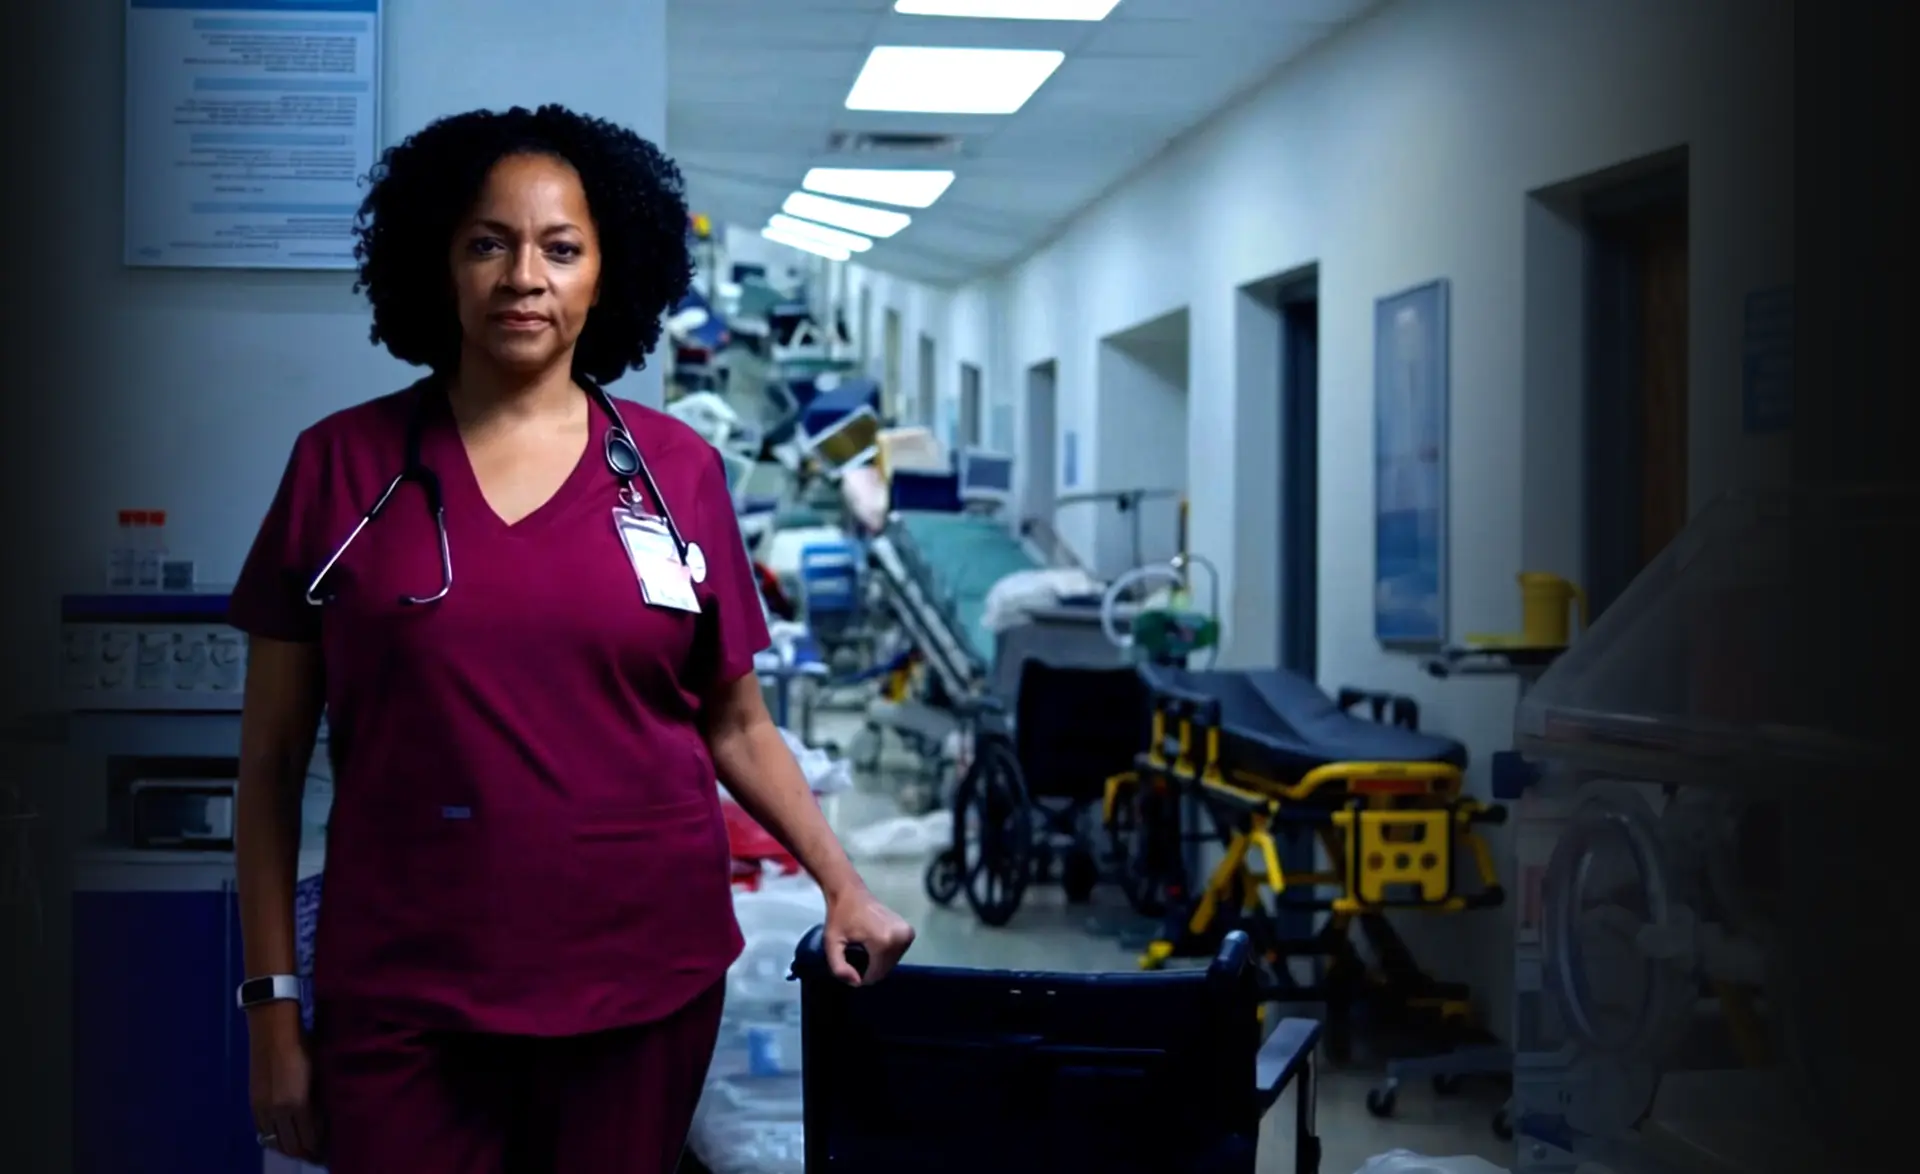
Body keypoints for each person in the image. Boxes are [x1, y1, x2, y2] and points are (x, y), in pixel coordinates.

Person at [228, 104, 914, 1173]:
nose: (522, 277)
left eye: (561, 247)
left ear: (609, 273)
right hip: (407, 990)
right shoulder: (341, 469)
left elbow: (737, 724)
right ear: (440, 264)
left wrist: (844, 882)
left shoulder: (676, 469)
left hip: (639, 986)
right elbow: (268, 769)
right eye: (487, 243)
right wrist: (273, 1006)